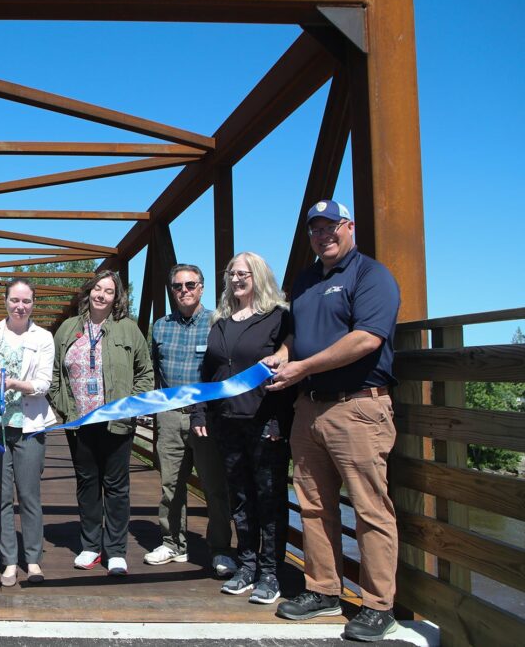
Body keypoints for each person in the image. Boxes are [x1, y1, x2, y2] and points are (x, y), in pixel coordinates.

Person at [268, 200, 401, 642]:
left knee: (369, 507)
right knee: (313, 502)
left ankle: (379, 605)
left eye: (330, 227)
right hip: (310, 408)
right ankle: (323, 589)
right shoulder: (306, 281)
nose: (322, 235)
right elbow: (294, 336)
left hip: (358, 406)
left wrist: (303, 368)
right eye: (315, 230)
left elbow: (367, 338)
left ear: (349, 227)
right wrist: (285, 356)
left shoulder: (371, 275)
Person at [191, 253, 294, 605]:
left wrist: (280, 421)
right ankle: (247, 565)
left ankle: (271, 572)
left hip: (264, 422)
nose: (236, 279)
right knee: (241, 500)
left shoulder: (278, 319)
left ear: (259, 277)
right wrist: (201, 414)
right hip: (227, 423)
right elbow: (208, 375)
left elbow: (287, 372)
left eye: (244, 273)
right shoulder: (220, 322)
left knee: (270, 501)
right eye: (232, 273)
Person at [49, 270, 153, 576]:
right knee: (87, 484)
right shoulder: (68, 328)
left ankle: (116, 551)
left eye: (108, 291)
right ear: (88, 292)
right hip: (79, 423)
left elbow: (145, 372)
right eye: (97, 288)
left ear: (116, 297)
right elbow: (54, 374)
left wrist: (129, 406)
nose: (101, 295)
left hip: (116, 423)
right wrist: (63, 408)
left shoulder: (128, 330)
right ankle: (91, 546)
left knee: (117, 486)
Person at [144, 264, 235, 578]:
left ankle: (221, 549)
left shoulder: (217, 323)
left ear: (202, 287)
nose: (184, 291)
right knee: (171, 485)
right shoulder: (160, 326)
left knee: (215, 486)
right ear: (172, 290)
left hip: (207, 417)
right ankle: (173, 544)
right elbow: (152, 369)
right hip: (170, 416)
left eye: (190, 285)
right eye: (178, 286)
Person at [0, 278, 56, 586]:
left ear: (34, 303)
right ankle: (8, 561)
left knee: (30, 495)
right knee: (1, 496)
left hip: (30, 427)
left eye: (26, 301)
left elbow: (45, 382)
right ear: (5, 301)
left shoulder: (43, 337)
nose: (20, 306)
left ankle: (32, 560)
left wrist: (18, 384)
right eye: (15, 300)